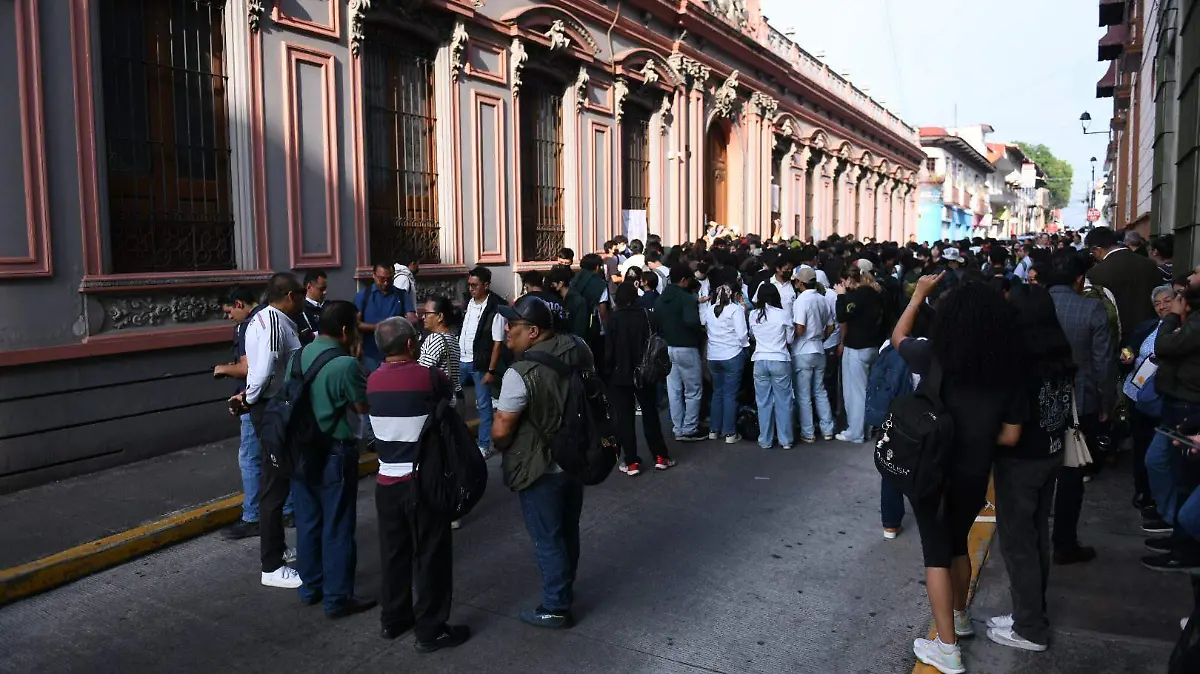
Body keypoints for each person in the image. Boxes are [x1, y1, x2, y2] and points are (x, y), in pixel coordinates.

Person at [892, 274, 1022, 674]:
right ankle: (961, 617)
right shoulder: (1008, 367)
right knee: (957, 545)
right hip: (974, 468)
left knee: (935, 553)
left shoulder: (932, 355)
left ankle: (946, 649)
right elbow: (1011, 435)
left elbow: (898, 337)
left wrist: (917, 297)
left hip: (932, 465)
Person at [370, 316, 471, 650]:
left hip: (387, 481)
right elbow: (450, 398)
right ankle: (430, 629)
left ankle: (394, 619)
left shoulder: (371, 381)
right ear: (411, 344)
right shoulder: (428, 376)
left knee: (394, 554)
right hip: (423, 482)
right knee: (430, 556)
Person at [986, 285, 1076, 653]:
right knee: (1037, 536)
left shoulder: (1017, 362)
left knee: (1018, 544)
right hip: (1052, 453)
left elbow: (1009, 435)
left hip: (1020, 462)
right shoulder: (1059, 353)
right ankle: (1029, 612)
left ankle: (1030, 627)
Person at [492, 295, 590, 629]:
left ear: (533, 331)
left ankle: (555, 606)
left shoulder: (519, 374)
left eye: (513, 326)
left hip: (540, 466)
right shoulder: (577, 348)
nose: (506, 332)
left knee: (547, 536)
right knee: (567, 529)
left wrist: (501, 444)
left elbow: (502, 428)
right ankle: (565, 586)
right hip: (576, 457)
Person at [288, 300, 375, 618]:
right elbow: (362, 406)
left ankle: (310, 586)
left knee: (308, 522)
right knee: (337, 526)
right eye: (355, 326)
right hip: (334, 451)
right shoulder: (346, 365)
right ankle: (337, 598)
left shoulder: (298, 355)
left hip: (300, 450)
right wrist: (359, 360)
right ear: (344, 330)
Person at [229, 272, 305, 589]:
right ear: (288, 295)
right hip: (272, 409)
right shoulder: (273, 323)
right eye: (300, 293)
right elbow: (262, 371)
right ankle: (271, 566)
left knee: (276, 481)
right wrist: (251, 398)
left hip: (270, 407)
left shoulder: (263, 319)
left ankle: (278, 550)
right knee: (273, 486)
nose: (303, 298)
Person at [1045, 252, 1112, 565]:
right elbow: (1103, 362)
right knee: (1072, 474)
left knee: (1036, 472)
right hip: (1079, 402)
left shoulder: (1033, 305)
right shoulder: (1091, 308)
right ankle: (1064, 543)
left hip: (1035, 402)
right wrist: (1106, 403)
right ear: (1079, 279)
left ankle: (1032, 538)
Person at [1142, 285, 1200, 572]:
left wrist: (1172, 320)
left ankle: (1183, 545)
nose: (1168, 306)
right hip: (1178, 404)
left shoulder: (1190, 325)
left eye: (1174, 300)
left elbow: (1163, 346)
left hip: (1188, 407)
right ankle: (1176, 530)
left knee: (1184, 480)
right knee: (1161, 464)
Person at [217, 286, 279, 541]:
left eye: (229, 311)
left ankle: (252, 516)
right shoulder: (271, 318)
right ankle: (285, 509)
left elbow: (249, 369)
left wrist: (222, 369)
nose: (229, 317)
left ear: (239, 303)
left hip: (254, 399)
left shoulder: (250, 326)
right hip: (274, 399)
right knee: (273, 457)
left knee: (250, 458)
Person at [605, 283, 672, 475]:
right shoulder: (647, 316)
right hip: (645, 373)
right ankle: (660, 456)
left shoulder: (615, 319)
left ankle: (632, 461)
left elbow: (609, 350)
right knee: (650, 414)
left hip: (620, 374)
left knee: (625, 418)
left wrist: (606, 372)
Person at [1124, 286, 1176, 525]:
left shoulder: (1181, 331)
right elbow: (1128, 348)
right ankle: (1142, 490)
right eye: (1157, 303)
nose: (1162, 306)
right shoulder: (1146, 327)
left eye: (1167, 301)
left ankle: (1161, 498)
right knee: (1141, 445)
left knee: (1160, 452)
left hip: (1163, 400)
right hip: (1136, 394)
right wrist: (1126, 356)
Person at [460, 266, 508, 458]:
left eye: (475, 285)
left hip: (479, 363)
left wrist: (491, 370)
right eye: (469, 285)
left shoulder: (495, 308)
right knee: (452, 398)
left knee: (484, 405)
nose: (471, 289)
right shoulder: (468, 301)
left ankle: (484, 444)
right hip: (461, 359)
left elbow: (497, 343)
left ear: (486, 285)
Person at [657, 266, 707, 442]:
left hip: (667, 347)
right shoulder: (686, 299)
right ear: (684, 279)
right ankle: (690, 427)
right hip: (687, 347)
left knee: (674, 390)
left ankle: (678, 427)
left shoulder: (662, 298)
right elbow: (692, 322)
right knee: (693, 390)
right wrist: (700, 332)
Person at [834, 266, 884, 443]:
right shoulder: (875, 294)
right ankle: (867, 428)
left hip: (856, 347)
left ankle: (856, 432)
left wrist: (840, 296)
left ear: (848, 280)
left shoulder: (854, 297)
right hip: (872, 345)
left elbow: (842, 316)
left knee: (855, 392)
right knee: (867, 390)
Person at [1086, 226, 1163, 332]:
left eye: (1092, 253)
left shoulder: (1096, 273)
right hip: (1149, 330)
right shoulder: (1149, 264)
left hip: (1116, 333)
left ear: (1097, 250)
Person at [792, 267, 836, 443]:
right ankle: (827, 429)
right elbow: (831, 326)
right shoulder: (823, 298)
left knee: (803, 394)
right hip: (819, 348)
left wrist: (790, 337)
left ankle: (808, 432)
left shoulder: (801, 300)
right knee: (820, 391)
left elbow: (800, 328)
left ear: (801, 283)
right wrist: (820, 337)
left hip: (803, 350)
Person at [701, 281, 749, 443]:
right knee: (730, 394)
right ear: (732, 296)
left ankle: (714, 429)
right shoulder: (736, 310)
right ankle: (730, 433)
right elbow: (742, 334)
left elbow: (706, 328)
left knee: (717, 393)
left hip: (713, 356)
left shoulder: (708, 311)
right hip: (732, 354)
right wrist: (745, 347)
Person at [749, 282, 794, 449]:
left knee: (763, 402)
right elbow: (790, 340)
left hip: (760, 359)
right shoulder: (783, 314)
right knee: (783, 401)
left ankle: (765, 439)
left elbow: (752, 336)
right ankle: (785, 440)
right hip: (780, 359)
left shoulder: (753, 315)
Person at [356, 262, 413, 374]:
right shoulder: (363, 296)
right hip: (370, 354)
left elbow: (412, 317)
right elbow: (355, 323)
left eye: (390, 279)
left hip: (396, 355)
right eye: (382, 279)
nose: (386, 283)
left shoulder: (401, 295)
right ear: (374, 275)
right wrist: (381, 328)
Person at [418, 295, 463, 408]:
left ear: (440, 316)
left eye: (427, 313)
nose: (423, 317)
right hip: (453, 398)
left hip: (439, 401)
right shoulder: (451, 338)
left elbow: (423, 373)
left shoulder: (435, 339)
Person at [548, 265, 589, 338]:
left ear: (560, 284)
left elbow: (580, 329)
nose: (551, 287)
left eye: (552, 284)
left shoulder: (578, 301)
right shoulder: (556, 299)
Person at [297, 269, 327, 345]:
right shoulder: (300, 310)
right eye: (321, 289)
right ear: (309, 286)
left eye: (325, 288)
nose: (325, 292)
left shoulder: (327, 307)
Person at [392, 252, 422, 323]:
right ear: (412, 264)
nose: (418, 267)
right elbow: (398, 301)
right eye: (418, 264)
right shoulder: (403, 278)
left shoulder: (405, 277)